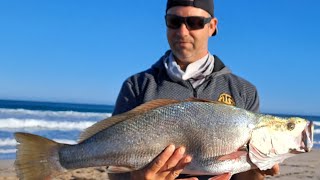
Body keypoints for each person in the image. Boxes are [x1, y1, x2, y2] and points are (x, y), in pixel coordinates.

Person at [109, 0, 280, 179]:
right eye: (174, 22)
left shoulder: (243, 91)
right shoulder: (138, 86)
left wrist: (255, 169)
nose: (182, 31)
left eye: (195, 22)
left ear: (212, 26)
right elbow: (114, 167)